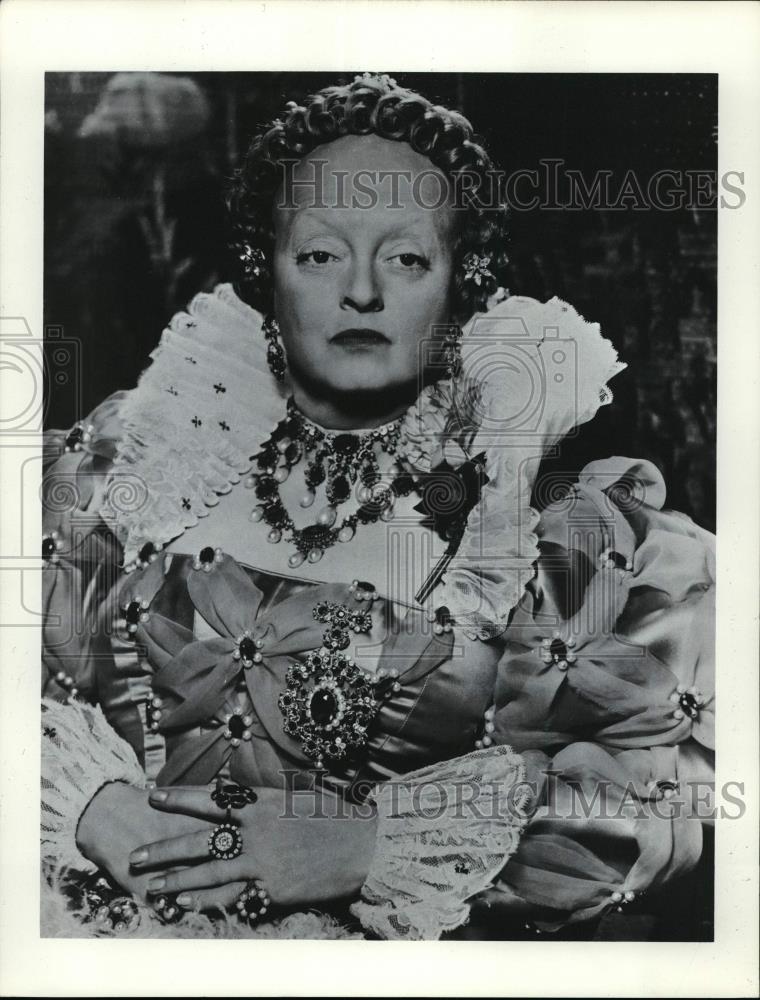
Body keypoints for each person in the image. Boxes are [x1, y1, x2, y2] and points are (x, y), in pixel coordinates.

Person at [41, 74, 714, 940]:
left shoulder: (537, 522)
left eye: (405, 257)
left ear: (459, 282)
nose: (361, 291)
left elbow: (668, 799)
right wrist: (92, 802)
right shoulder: (145, 453)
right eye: (320, 254)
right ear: (266, 274)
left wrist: (371, 842)